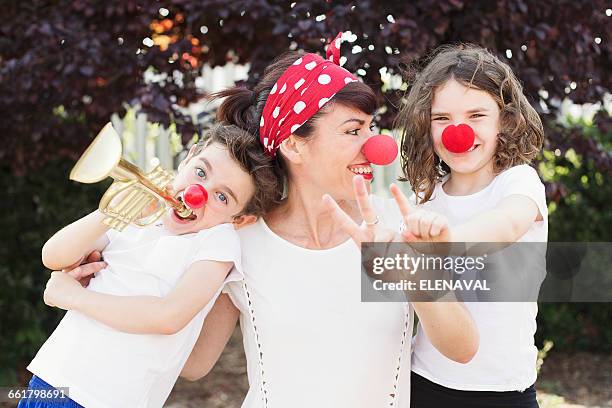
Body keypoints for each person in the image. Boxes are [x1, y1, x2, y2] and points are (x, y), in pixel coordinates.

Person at [178, 33, 478, 407]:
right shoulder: (241, 240)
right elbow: (194, 364)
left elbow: (462, 348)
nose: (375, 147)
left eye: (371, 128)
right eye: (353, 131)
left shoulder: (400, 224)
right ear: (293, 144)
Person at [20, 124, 282, 408]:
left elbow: (169, 316)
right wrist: (110, 212)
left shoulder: (216, 240)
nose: (199, 193)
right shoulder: (142, 215)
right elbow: (54, 255)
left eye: (222, 197)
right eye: (201, 172)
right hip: (51, 377)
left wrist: (73, 297)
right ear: (188, 158)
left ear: (240, 220)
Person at [395, 44, 547, 407]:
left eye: (476, 114)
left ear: (505, 121)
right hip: (426, 383)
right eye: (442, 118)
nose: (457, 132)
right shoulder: (427, 202)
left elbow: (507, 225)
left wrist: (449, 240)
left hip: (505, 392)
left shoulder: (518, 182)